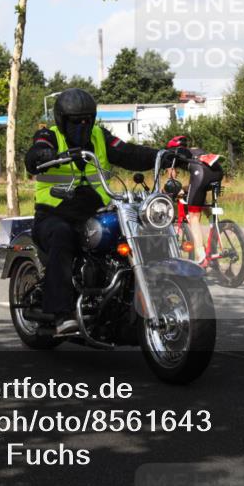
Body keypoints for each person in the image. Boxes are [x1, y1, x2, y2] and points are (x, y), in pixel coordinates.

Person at [24, 89, 188, 335]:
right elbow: (35, 153)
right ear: (62, 120)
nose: (82, 126)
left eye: (86, 120)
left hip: (93, 211)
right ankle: (61, 313)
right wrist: (41, 155)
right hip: (54, 214)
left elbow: (129, 153)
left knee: (133, 232)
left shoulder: (100, 136)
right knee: (62, 235)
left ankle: (124, 302)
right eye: (75, 121)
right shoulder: (49, 136)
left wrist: (165, 156)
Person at [164, 135, 224, 264]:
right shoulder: (195, 149)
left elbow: (171, 179)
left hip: (200, 174)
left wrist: (169, 189)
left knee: (193, 216)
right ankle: (213, 224)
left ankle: (201, 255)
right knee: (199, 194)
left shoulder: (172, 155)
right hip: (218, 173)